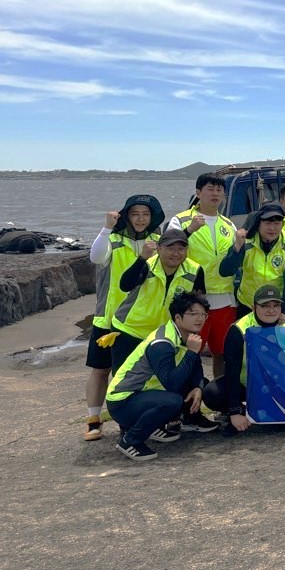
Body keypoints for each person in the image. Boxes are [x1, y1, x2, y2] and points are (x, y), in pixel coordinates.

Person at [83, 194, 164, 441]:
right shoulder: (113, 240)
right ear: (126, 216)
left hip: (141, 321)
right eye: (135, 214)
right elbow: (95, 257)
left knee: (140, 373)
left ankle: (136, 420)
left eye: (146, 214)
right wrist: (106, 228)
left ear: (153, 217)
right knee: (101, 370)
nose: (140, 219)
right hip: (108, 320)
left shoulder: (159, 242)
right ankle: (93, 421)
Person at [106, 291, 217, 461]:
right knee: (172, 401)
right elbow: (172, 383)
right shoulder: (162, 343)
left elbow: (194, 368)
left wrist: (198, 387)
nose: (200, 319)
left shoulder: (187, 335)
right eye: (193, 314)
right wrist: (192, 352)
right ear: (178, 318)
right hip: (123, 401)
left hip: (145, 394)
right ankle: (130, 440)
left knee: (200, 384)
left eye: (203, 314)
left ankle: (180, 422)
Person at [169, 173, 238, 380]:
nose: (215, 194)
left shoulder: (229, 225)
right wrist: (189, 230)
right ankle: (189, 402)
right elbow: (170, 249)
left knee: (222, 353)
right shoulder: (180, 220)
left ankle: (220, 399)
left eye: (219, 190)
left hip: (225, 298)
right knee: (189, 352)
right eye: (210, 189)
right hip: (193, 298)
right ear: (198, 193)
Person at [111, 228, 205, 373]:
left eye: (181, 248)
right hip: (130, 330)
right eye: (170, 248)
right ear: (159, 248)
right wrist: (142, 258)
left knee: (159, 380)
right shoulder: (147, 264)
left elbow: (198, 305)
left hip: (165, 336)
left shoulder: (195, 270)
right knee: (125, 379)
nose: (176, 253)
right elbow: (125, 285)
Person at [202, 284, 285, 433]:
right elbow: (232, 372)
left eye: (276, 306)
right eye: (265, 306)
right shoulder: (238, 330)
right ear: (253, 307)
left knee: (282, 428)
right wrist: (235, 411)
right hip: (246, 384)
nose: (271, 310)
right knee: (212, 393)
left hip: (274, 386)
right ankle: (241, 411)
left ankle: (265, 408)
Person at [220, 203, 285, 328]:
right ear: (258, 224)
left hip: (274, 308)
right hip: (247, 304)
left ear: (283, 225)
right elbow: (225, 271)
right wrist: (237, 247)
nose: (272, 228)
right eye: (267, 223)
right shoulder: (245, 241)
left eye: (276, 224)